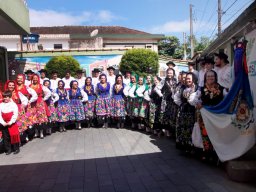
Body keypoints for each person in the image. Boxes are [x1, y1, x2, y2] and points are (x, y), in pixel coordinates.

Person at [196, 70, 225, 161]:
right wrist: (198, 103)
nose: (210, 78)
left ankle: (216, 154)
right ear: (205, 78)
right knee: (205, 133)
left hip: (216, 115)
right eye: (208, 76)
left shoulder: (221, 88)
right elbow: (196, 99)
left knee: (216, 134)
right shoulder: (201, 88)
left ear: (215, 77)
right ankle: (207, 153)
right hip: (205, 115)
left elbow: (226, 98)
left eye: (212, 76)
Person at [175, 72, 197, 152]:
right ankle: (184, 146)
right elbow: (176, 98)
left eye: (189, 79)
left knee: (191, 129)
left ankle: (191, 147)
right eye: (186, 78)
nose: (187, 80)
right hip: (184, 111)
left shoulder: (196, 88)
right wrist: (181, 104)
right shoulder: (182, 88)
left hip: (192, 111)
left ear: (193, 79)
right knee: (183, 128)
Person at [29, 74, 51, 139]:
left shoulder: (41, 86)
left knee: (40, 117)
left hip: (39, 102)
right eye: (34, 78)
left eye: (36, 78)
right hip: (32, 103)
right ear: (32, 79)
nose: (35, 79)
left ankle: (41, 132)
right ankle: (36, 132)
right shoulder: (29, 86)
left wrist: (43, 99)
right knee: (34, 117)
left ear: (38, 79)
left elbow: (49, 92)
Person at [0, 90, 20, 154]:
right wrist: (3, 122)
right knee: (6, 137)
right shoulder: (1, 104)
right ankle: (8, 149)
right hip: (4, 123)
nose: (5, 98)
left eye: (7, 97)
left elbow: (15, 114)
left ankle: (16, 148)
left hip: (11, 123)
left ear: (10, 97)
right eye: (4, 97)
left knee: (14, 135)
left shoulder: (13, 104)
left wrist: (11, 122)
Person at [161, 68, 177, 137]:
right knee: (166, 115)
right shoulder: (164, 80)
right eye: (168, 73)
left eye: (171, 73)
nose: (169, 74)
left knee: (172, 115)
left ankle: (171, 131)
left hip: (173, 101)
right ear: (166, 73)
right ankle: (166, 130)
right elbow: (159, 88)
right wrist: (162, 95)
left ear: (173, 73)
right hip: (166, 100)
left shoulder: (175, 80)